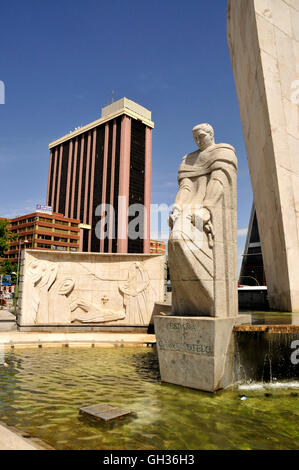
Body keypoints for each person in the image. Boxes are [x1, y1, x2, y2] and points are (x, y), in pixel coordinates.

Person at [168, 123, 238, 317]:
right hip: (188, 210)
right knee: (175, 240)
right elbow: (186, 187)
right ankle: (192, 302)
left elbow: (219, 181)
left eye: (201, 136)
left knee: (180, 239)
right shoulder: (189, 159)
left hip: (207, 211)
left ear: (211, 134)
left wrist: (207, 209)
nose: (198, 141)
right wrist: (177, 207)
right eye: (195, 138)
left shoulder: (223, 152)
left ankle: (210, 297)